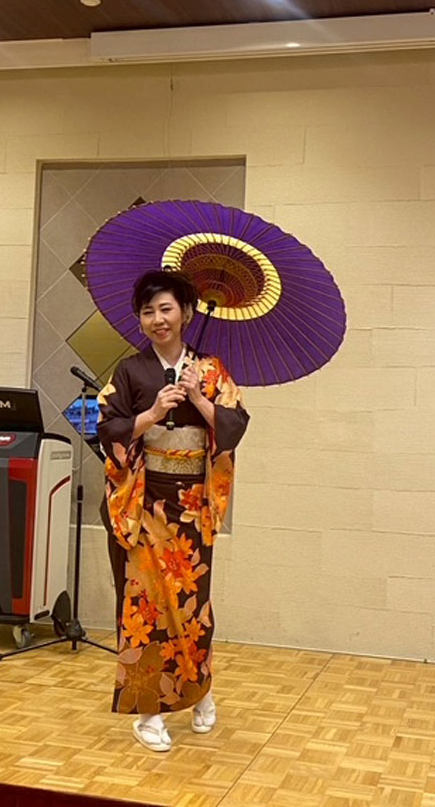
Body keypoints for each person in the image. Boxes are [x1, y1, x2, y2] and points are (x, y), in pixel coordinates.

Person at [97, 269, 249, 752]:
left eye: (166, 309)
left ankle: (199, 691)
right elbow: (107, 428)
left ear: (185, 313)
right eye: (148, 311)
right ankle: (148, 711)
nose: (157, 319)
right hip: (143, 505)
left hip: (191, 508)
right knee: (145, 607)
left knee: (191, 607)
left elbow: (235, 426)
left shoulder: (210, 370)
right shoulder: (129, 372)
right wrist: (152, 414)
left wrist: (199, 398)